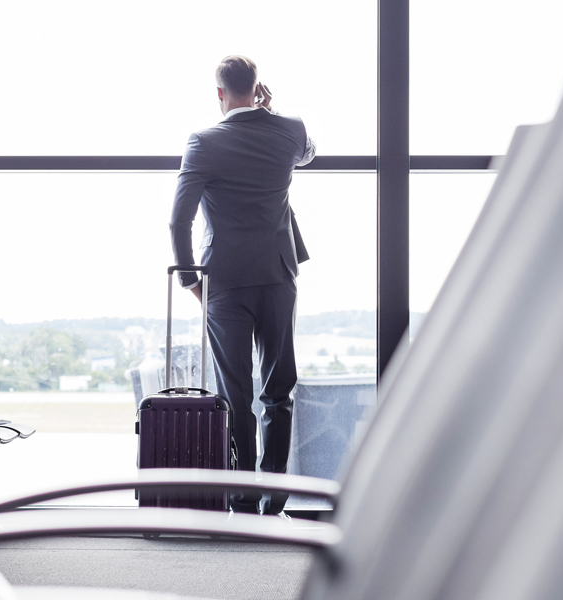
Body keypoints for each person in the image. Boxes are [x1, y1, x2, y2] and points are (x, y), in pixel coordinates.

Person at [168, 55, 315, 516]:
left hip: (225, 283)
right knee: (278, 391)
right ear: (258, 88)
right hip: (278, 275)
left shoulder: (205, 142)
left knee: (235, 395)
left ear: (219, 93)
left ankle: (243, 498)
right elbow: (309, 152)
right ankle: (275, 501)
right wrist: (270, 114)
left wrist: (191, 280)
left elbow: (179, 219)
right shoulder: (289, 129)